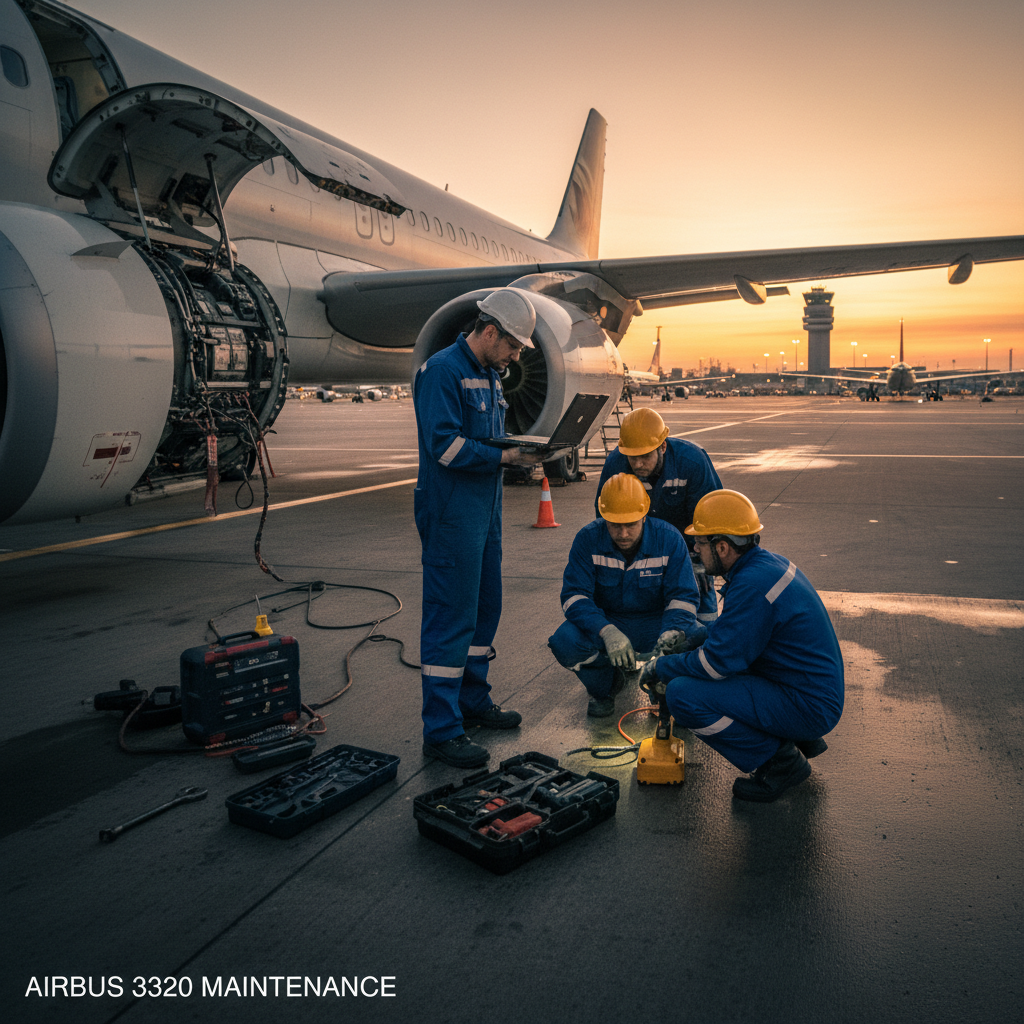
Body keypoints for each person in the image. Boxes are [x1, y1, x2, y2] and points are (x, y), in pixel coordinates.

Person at [637, 489, 844, 802]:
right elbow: (735, 632)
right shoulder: (763, 567)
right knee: (708, 664)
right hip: (806, 688)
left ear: (722, 547)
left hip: (808, 704)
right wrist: (691, 637)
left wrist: (659, 667)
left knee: (683, 695)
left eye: (701, 542)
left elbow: (715, 665)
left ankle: (781, 763)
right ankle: (797, 736)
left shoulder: (751, 585)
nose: (695, 548)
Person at [413, 288, 543, 768]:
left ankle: (472, 700)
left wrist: (524, 448)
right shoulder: (443, 372)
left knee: (484, 609)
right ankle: (442, 730)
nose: (514, 356)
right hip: (451, 515)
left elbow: (484, 438)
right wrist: (506, 456)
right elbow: (444, 448)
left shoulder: (489, 373)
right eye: (511, 346)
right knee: (451, 617)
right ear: (489, 332)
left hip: (484, 511)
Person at [548, 473, 707, 718]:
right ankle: (606, 686)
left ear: (644, 515)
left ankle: (662, 687)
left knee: (698, 637)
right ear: (603, 517)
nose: (623, 534)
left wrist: (671, 632)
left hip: (656, 623)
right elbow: (574, 597)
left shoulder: (669, 539)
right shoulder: (587, 539)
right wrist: (606, 631)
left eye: (630, 524)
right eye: (614, 524)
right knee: (565, 640)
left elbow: (683, 597)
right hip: (609, 621)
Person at [594, 407, 723, 625]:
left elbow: (709, 520)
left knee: (704, 613)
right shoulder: (616, 464)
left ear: (662, 446)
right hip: (641, 552)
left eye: (644, 456)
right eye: (632, 457)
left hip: (690, 551)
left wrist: (701, 564)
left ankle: (707, 648)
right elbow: (607, 516)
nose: (637, 464)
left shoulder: (692, 461)